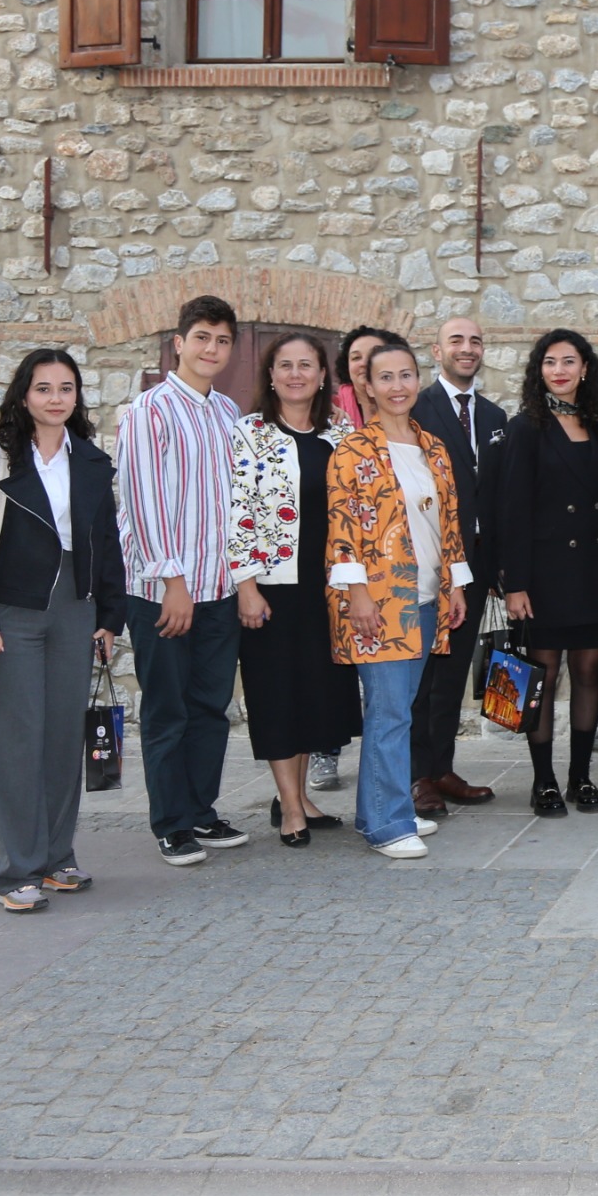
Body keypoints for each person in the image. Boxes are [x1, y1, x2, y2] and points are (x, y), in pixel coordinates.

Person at [0, 349, 126, 911]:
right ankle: (14, 871)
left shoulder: (91, 461)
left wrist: (109, 618)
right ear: (24, 395)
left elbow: (107, 544)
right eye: (44, 388)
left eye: (66, 388)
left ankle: (55, 858)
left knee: (61, 738)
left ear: (77, 397)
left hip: (75, 606)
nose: (55, 399)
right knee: (20, 741)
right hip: (11, 612)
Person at [115, 294, 248, 868]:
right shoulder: (149, 411)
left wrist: (244, 580)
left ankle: (200, 809)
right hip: (164, 591)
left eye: (221, 341)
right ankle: (170, 823)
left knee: (210, 706)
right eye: (202, 338)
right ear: (180, 343)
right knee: (168, 709)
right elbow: (141, 501)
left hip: (219, 587)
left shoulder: (228, 413)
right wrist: (172, 580)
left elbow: (240, 505)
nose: (211, 349)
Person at [326, 338, 470, 859]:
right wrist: (358, 594)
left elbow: (448, 523)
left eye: (406, 375)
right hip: (379, 601)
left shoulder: (433, 447)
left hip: (427, 598)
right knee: (389, 713)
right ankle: (387, 824)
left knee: (400, 710)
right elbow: (341, 528)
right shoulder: (353, 450)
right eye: (385, 377)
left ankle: (380, 809)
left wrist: (455, 586)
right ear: (367, 385)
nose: (397, 386)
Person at [229, 335, 360, 847]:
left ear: (324, 376)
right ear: (271, 374)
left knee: (312, 696)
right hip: (272, 588)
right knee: (276, 697)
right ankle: (289, 809)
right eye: (285, 365)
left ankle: (300, 795)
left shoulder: (341, 433)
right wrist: (246, 585)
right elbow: (237, 511)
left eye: (306, 365)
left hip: (324, 589)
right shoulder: (250, 433)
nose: (296, 374)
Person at [498, 329, 598, 817]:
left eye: (569, 361)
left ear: (585, 368)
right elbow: (512, 510)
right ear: (539, 371)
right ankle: (544, 780)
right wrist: (515, 585)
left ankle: (581, 777)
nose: (560, 371)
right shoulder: (526, 427)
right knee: (544, 674)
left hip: (595, 568)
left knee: (589, 670)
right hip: (545, 572)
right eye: (550, 362)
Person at [409, 316, 507, 817]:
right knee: (421, 679)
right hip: (429, 565)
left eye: (475, 340)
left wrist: (500, 570)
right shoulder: (416, 409)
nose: (467, 349)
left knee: (451, 678)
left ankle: (442, 767)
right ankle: (416, 776)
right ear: (437, 350)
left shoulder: (493, 416)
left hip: (478, 568)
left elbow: (500, 496)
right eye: (457, 341)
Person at [311, 324, 397, 795]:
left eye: (375, 357)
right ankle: (327, 752)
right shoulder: (333, 421)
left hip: (391, 569)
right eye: (358, 357)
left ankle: (387, 780)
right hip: (339, 565)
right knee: (333, 668)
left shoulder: (403, 420)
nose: (366, 365)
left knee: (387, 687)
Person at [330, 325, 390, 430]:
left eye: (374, 354)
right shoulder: (331, 409)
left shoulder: (410, 406)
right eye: (356, 357)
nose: (364, 363)